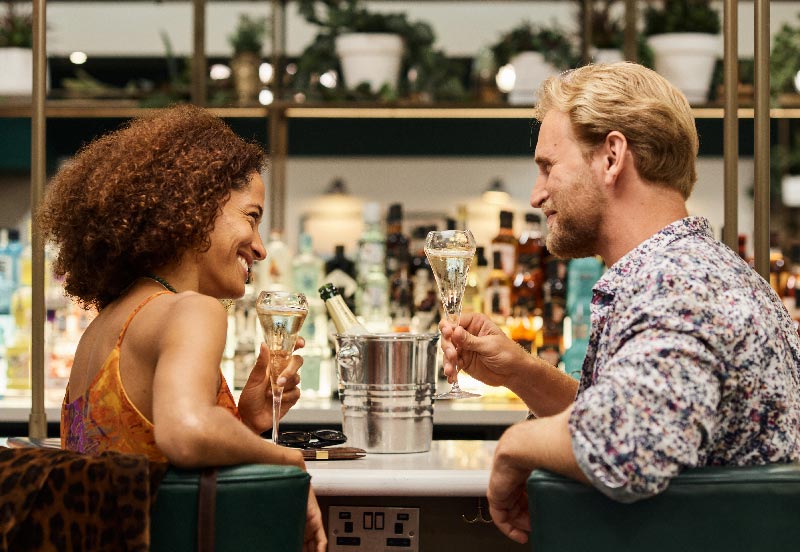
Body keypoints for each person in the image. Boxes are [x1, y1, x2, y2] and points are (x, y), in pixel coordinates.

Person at [439, 62, 800, 544]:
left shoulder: (677, 284)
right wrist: (521, 373)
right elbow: (644, 413)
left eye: (548, 167)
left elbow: (628, 446)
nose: (536, 194)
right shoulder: (699, 271)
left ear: (612, 157)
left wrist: (513, 445)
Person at [37, 104, 326, 551]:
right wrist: (287, 460)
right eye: (251, 217)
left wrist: (245, 422)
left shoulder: (105, 326)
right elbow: (185, 432)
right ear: (196, 208)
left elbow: (146, 466)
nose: (261, 248)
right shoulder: (190, 311)